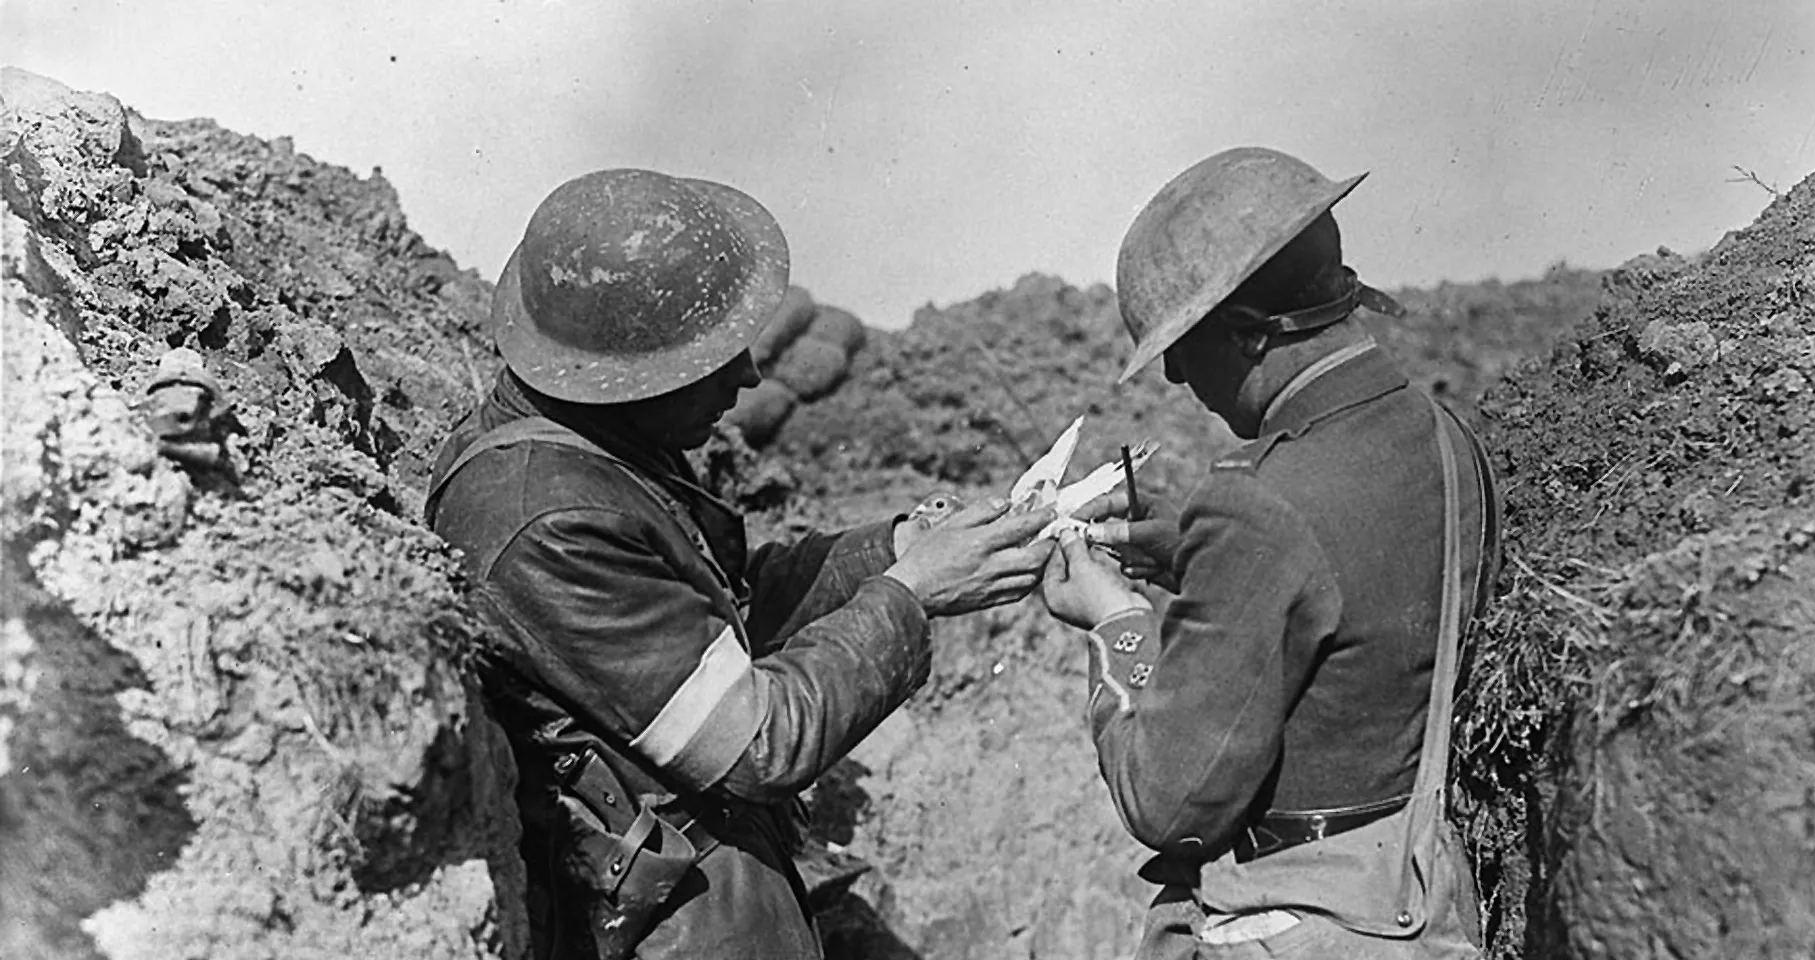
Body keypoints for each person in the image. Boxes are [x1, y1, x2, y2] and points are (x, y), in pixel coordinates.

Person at [425, 168, 1053, 960]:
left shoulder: (597, 451)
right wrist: (911, 594)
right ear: (625, 375)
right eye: (709, 359)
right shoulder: (546, 518)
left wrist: (895, 547)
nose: (748, 376)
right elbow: (759, 743)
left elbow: (714, 616)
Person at [1040, 148, 1503, 958]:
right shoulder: (1445, 437)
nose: (1181, 380)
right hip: (1420, 902)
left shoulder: (1258, 506)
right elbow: (1360, 597)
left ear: (1248, 335)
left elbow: (1170, 803)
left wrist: (1114, 620)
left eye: (1181, 353)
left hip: (1296, 924)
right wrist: (1202, 552)